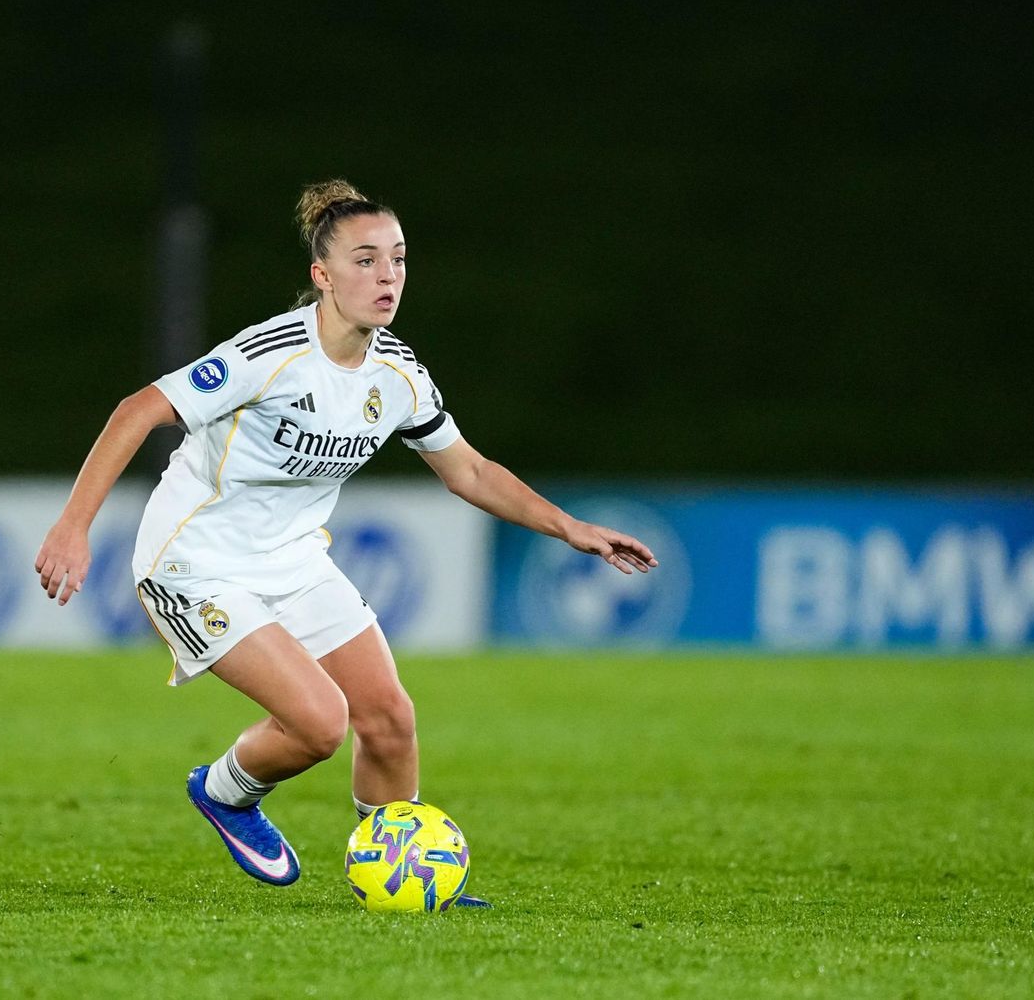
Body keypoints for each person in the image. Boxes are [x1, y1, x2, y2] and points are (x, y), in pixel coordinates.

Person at [33, 179, 655, 903]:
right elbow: (138, 410)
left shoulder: (399, 374)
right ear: (321, 276)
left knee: (390, 720)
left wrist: (572, 527)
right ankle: (226, 792)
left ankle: (402, 875)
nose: (386, 276)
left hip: (292, 559)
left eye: (396, 259)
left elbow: (472, 471)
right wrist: (72, 527)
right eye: (364, 261)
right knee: (321, 722)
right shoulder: (269, 354)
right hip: (193, 563)